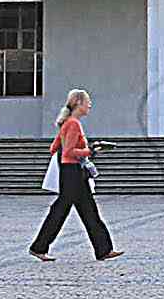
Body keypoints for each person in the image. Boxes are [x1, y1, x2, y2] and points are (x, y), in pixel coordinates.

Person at [31, 89, 122, 261]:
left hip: (72, 172)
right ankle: (39, 247)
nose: (90, 104)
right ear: (78, 103)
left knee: (88, 211)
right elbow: (70, 151)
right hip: (72, 172)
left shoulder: (66, 123)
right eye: (87, 101)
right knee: (62, 210)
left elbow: (54, 148)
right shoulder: (73, 124)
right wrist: (91, 150)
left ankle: (104, 250)